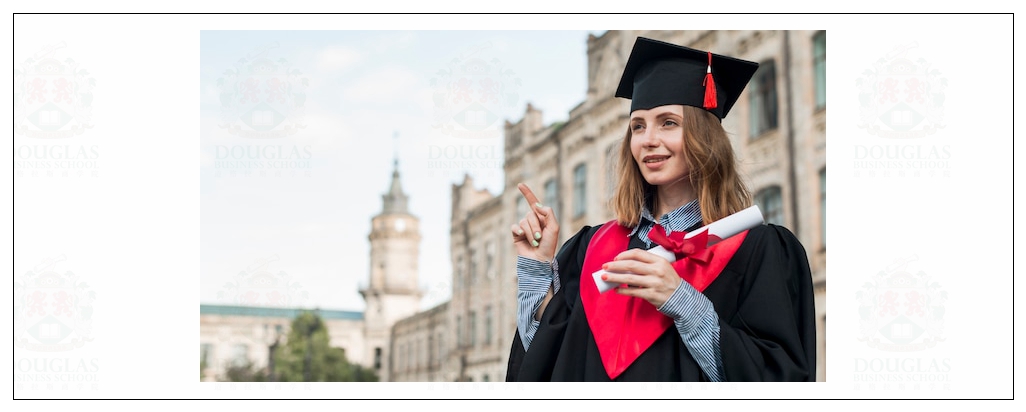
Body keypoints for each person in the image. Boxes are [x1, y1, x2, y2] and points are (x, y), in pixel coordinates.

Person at [505, 37, 816, 382]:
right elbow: (546, 365)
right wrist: (536, 268)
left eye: (668, 122)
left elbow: (779, 381)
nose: (648, 139)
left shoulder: (756, 249)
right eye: (638, 125)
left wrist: (681, 300)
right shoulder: (592, 248)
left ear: (704, 138)